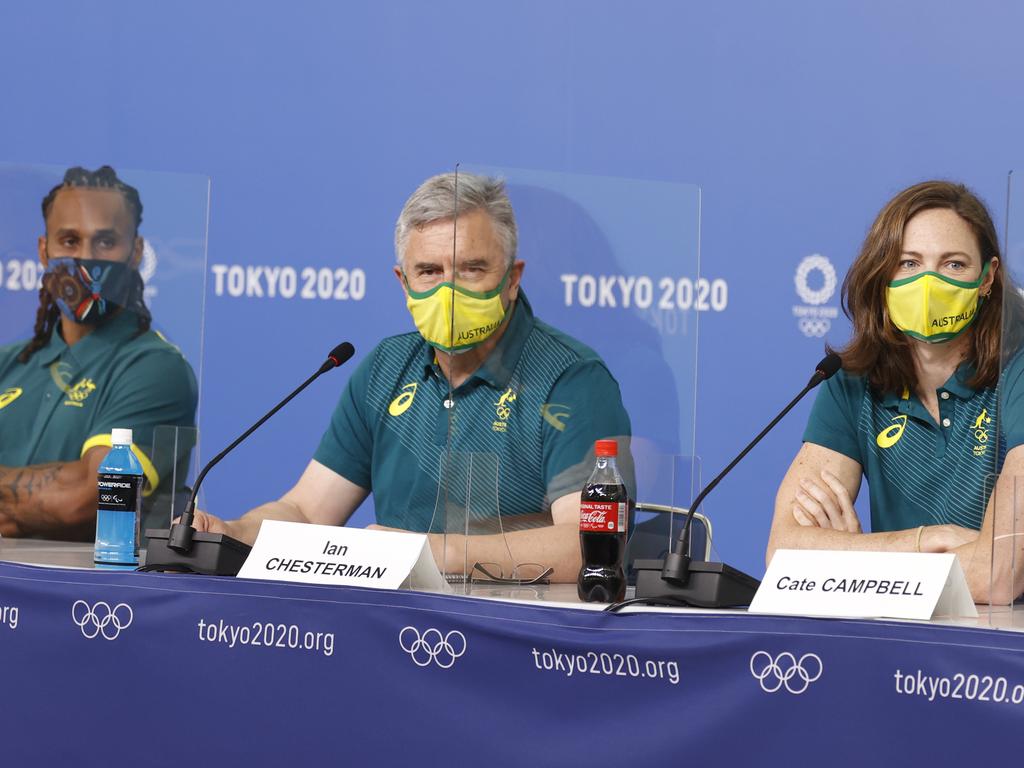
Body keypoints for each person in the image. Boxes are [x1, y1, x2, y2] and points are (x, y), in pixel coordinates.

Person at [192, 172, 634, 582]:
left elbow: (587, 544)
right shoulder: (386, 368)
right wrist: (232, 532)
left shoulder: (571, 379)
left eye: (472, 269)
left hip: (515, 632)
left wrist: (430, 554)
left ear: (512, 279)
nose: (449, 292)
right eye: (429, 272)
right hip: (388, 630)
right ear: (404, 283)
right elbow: (306, 511)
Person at [767, 180, 1024, 603]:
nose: (928, 283)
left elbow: (997, 573)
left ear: (988, 277)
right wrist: (927, 540)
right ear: (883, 274)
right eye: (909, 263)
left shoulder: (1016, 369)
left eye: (954, 264)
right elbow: (784, 557)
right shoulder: (849, 383)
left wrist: (853, 559)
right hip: (899, 644)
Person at [0, 166, 198, 539]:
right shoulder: (8, 363)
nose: (86, 259)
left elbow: (92, 496)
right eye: (70, 241)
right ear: (44, 251)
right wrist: (30, 505)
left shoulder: (156, 368)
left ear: (136, 251)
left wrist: (21, 512)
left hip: (90, 595)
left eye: (106, 242)